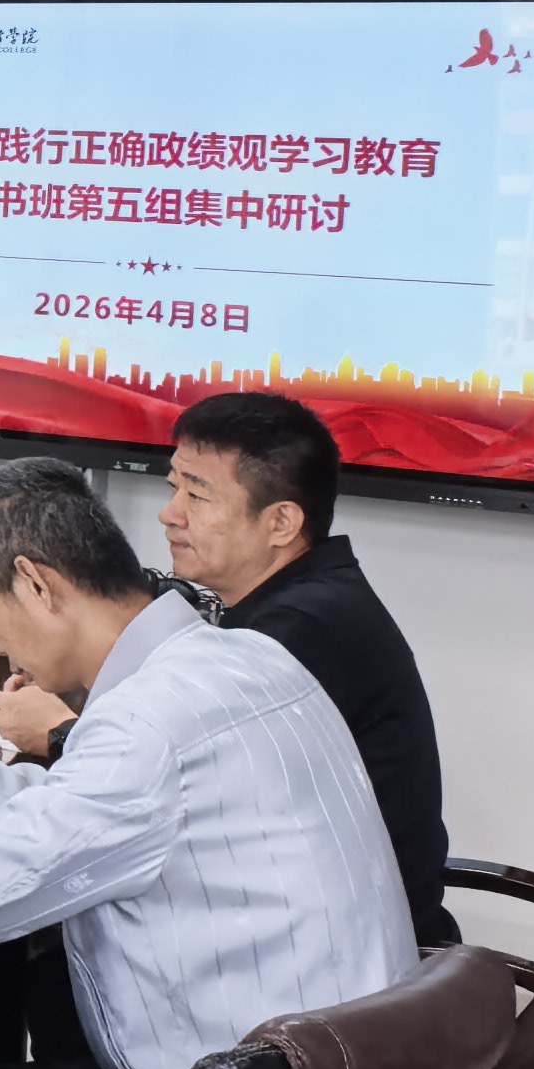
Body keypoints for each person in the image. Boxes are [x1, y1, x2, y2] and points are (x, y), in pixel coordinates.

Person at [0, 457, 416, 1069]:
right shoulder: (244, 656)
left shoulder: (146, 725)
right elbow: (86, 809)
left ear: (37, 585)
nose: (4, 645)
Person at [162, 392, 458, 948]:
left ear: (281, 522)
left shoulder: (302, 629)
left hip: (355, 960)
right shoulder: (306, 599)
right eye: (173, 487)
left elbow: (172, 779)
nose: (170, 513)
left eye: (197, 495)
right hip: (315, 922)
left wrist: (61, 733)